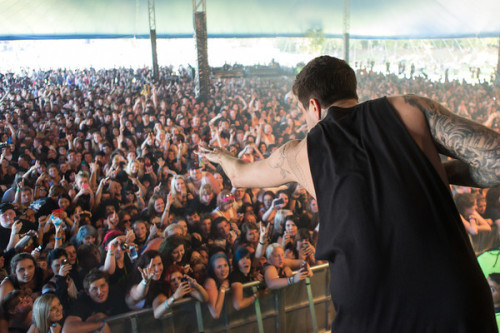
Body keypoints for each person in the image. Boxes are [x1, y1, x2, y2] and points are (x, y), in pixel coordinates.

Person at [199, 55, 500, 331]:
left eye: (302, 112)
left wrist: (221, 156)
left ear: (313, 106)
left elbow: (238, 175)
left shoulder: (299, 154)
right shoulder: (409, 109)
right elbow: (496, 160)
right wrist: (432, 174)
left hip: (372, 315)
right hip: (458, 305)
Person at [62, 269, 128, 333]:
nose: (100, 292)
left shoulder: (116, 292)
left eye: (103, 286)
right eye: (94, 289)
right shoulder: (82, 301)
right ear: (87, 292)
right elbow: (67, 330)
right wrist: (100, 324)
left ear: (108, 285)